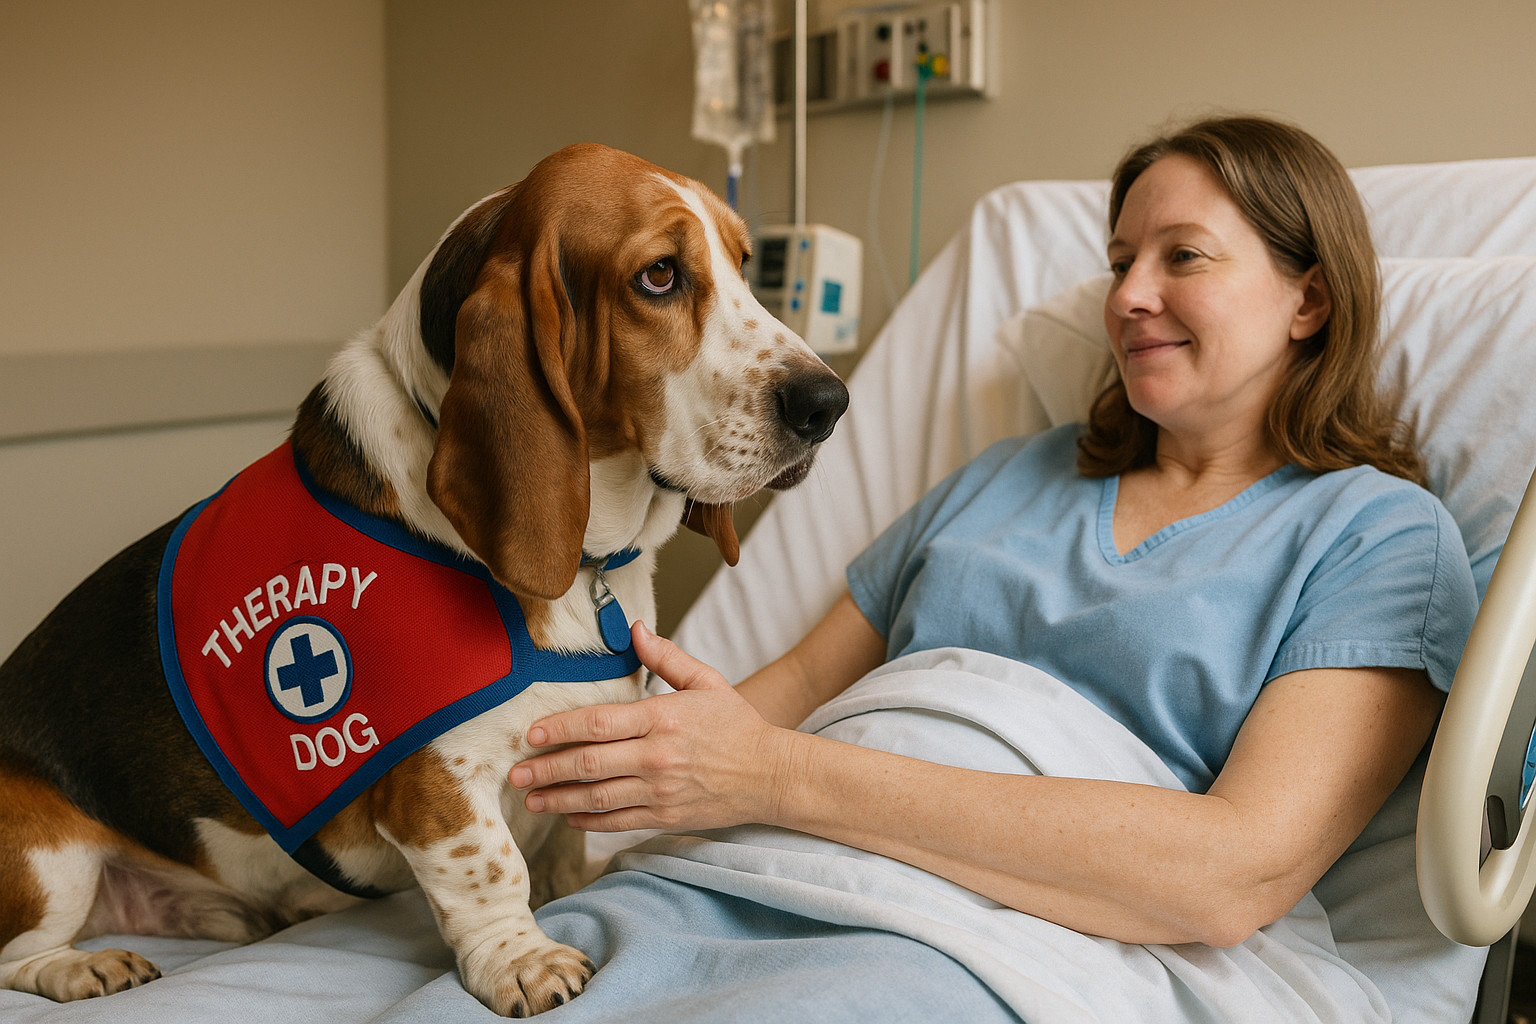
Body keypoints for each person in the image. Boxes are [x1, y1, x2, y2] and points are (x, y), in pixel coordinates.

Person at [509, 116, 1480, 1020]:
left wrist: (771, 774)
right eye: (1119, 262)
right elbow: (792, 691)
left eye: (1181, 256)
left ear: (1310, 298)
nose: (1128, 295)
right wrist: (625, 761)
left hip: (1004, 944)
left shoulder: (1379, 536)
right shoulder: (1008, 474)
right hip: (762, 871)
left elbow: (1234, 872)